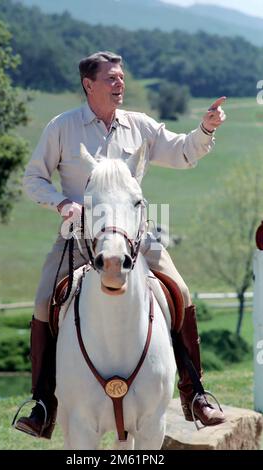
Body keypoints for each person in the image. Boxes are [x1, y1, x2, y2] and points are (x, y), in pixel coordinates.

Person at [14, 51, 226, 439]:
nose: (120, 84)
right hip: (79, 238)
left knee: (180, 291)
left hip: (137, 239)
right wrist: (62, 203)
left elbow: (181, 151)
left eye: (122, 77)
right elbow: (33, 178)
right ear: (88, 84)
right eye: (111, 78)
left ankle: (194, 394)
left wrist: (206, 129)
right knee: (44, 300)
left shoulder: (139, 125)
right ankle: (43, 403)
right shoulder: (63, 127)